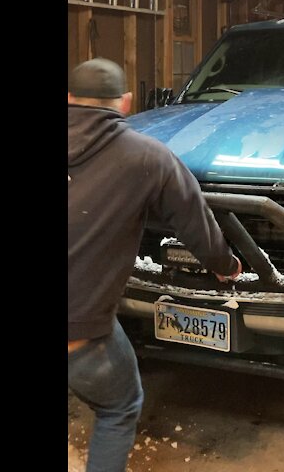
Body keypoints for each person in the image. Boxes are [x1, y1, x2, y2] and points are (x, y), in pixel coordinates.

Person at [67, 58, 242, 472]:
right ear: (125, 103)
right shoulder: (145, 156)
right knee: (120, 406)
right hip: (80, 329)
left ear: (69, 98)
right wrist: (225, 265)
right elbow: (194, 220)